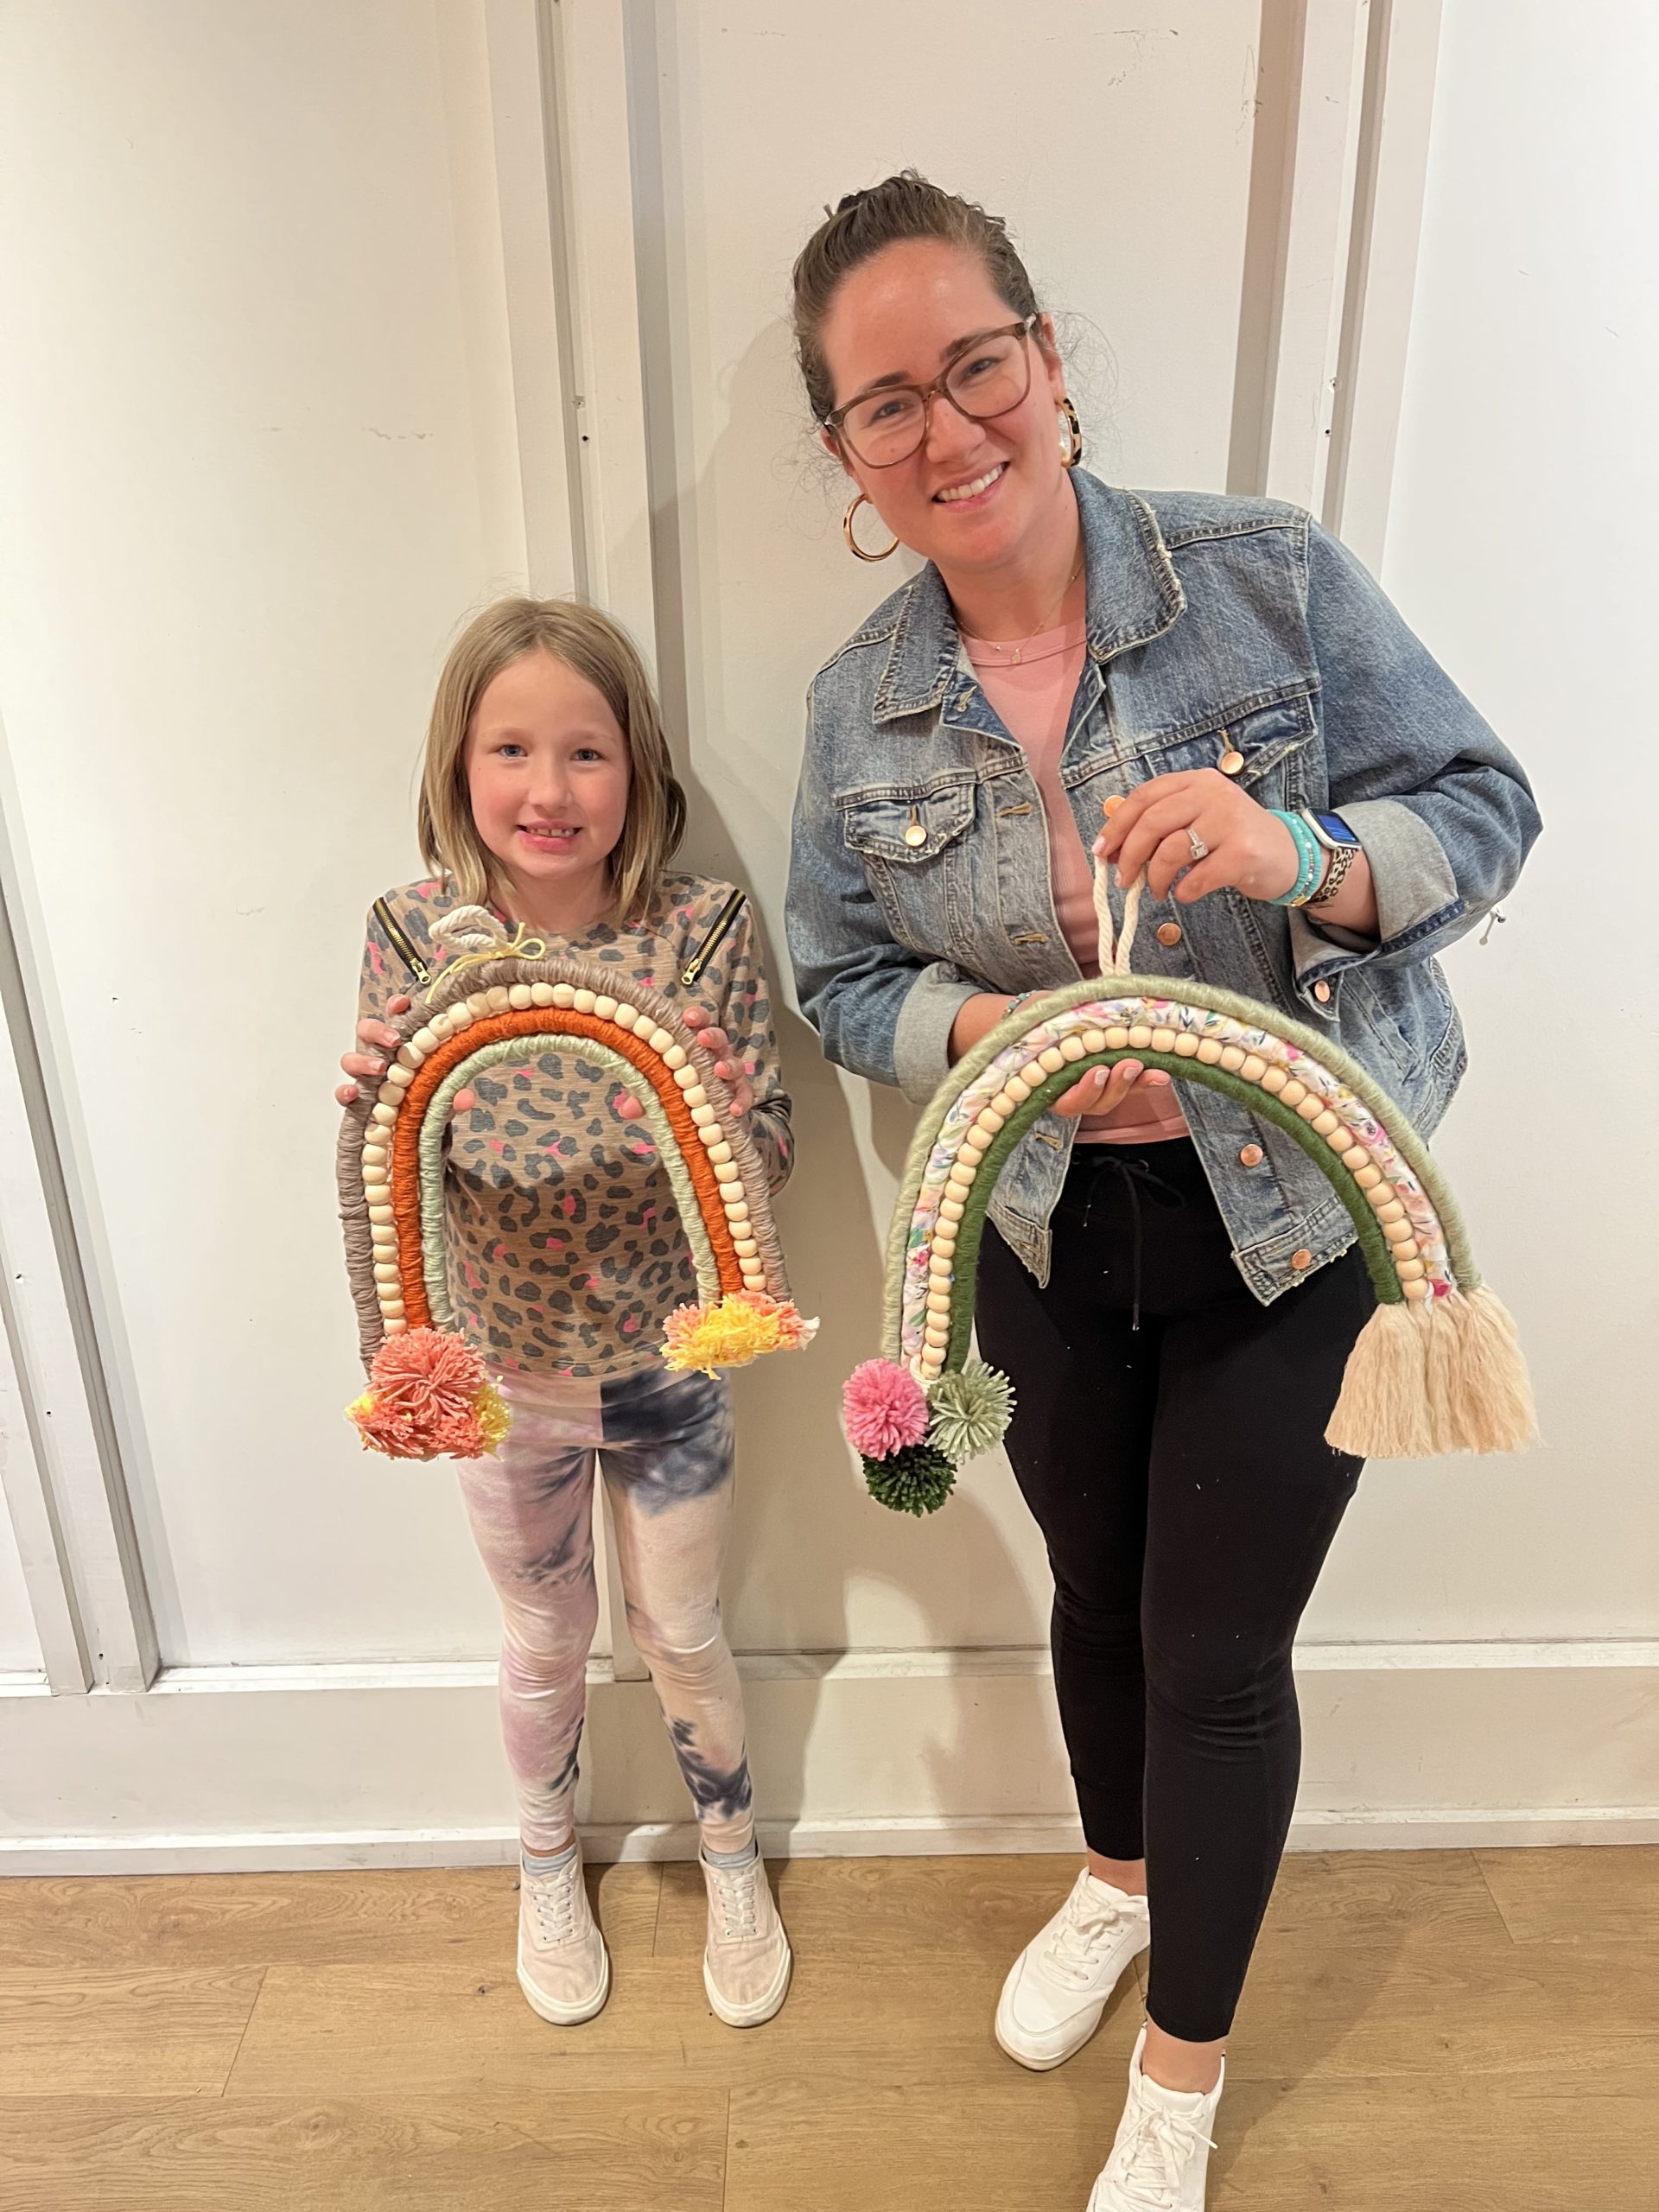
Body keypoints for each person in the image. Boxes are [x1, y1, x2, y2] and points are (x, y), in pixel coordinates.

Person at [785, 173, 1538, 2210]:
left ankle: (1184, 2072)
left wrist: (1297, 845)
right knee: (1099, 1596)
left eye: (980, 368)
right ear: (845, 452)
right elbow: (839, 970)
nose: (950, 432)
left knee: (1217, 1650)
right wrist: (987, 1041)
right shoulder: (860, 702)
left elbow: (1487, 809)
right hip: (1039, 1231)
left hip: (1293, 1231)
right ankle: (1114, 1878)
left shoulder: (1264, 577)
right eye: (887, 405)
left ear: (1050, 366)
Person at [336, 598, 793, 2032]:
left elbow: (763, 1155)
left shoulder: (700, 927)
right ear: (458, 766)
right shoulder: (416, 938)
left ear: (639, 769)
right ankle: (546, 1859)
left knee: (681, 1628)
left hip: (669, 1363)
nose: (549, 790)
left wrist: (724, 1103)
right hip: (499, 1371)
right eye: (513, 750)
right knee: (543, 1637)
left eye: (586, 753)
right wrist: (371, 1101)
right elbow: (397, 1164)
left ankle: (730, 1852)